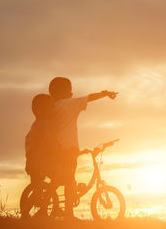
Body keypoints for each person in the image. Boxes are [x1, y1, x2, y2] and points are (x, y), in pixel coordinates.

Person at [48, 77, 118, 219]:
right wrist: (104, 94)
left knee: (58, 179)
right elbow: (89, 98)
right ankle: (68, 214)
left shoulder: (51, 107)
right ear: (62, 91)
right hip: (68, 150)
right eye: (69, 89)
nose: (72, 92)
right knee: (69, 182)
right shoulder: (69, 104)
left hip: (55, 150)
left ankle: (51, 206)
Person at [24, 93, 59, 216]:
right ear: (44, 110)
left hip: (33, 162)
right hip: (41, 162)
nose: (54, 109)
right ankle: (44, 208)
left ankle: (27, 211)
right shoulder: (45, 124)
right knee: (58, 177)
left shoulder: (35, 125)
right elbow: (49, 141)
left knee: (37, 187)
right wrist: (59, 149)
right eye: (52, 107)